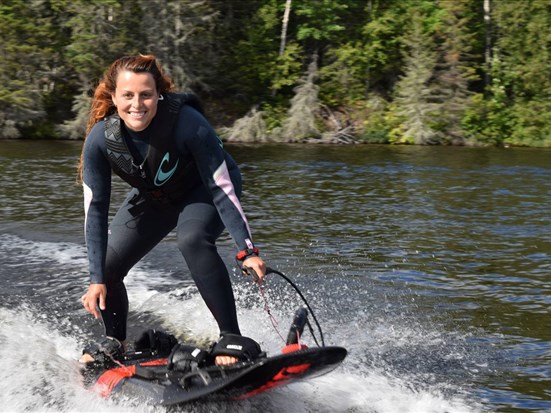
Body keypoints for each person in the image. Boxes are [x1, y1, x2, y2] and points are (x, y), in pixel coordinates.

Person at [78, 54, 266, 366]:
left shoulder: (189, 124)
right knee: (108, 265)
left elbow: (222, 187)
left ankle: (231, 337)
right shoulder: (100, 140)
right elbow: (95, 212)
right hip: (157, 196)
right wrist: (96, 277)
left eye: (146, 95)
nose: (137, 104)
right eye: (127, 95)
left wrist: (247, 250)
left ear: (158, 95)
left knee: (191, 239)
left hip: (206, 189)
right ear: (114, 97)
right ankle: (115, 340)